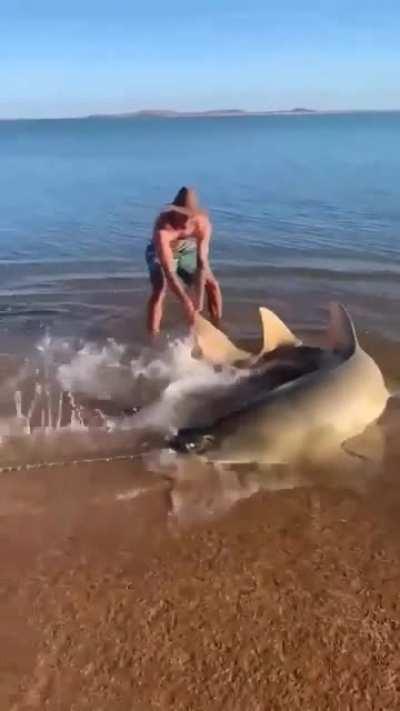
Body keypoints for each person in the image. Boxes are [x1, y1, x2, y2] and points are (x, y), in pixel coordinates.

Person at [146, 187, 222, 336]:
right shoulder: (163, 229)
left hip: (182, 247)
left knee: (212, 284)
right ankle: (152, 335)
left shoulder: (202, 224)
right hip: (158, 249)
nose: (187, 220)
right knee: (160, 288)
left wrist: (198, 304)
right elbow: (169, 272)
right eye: (183, 215)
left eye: (190, 216)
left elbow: (201, 262)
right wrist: (186, 301)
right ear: (174, 211)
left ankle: (217, 327)